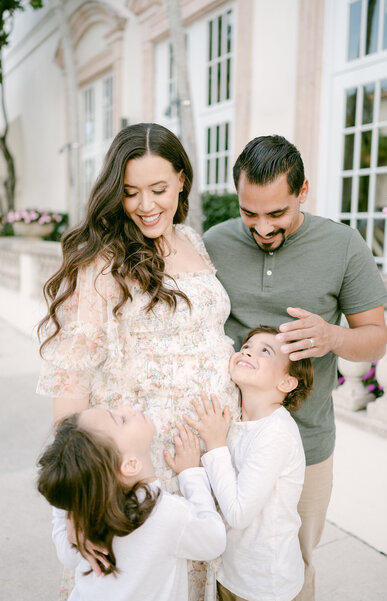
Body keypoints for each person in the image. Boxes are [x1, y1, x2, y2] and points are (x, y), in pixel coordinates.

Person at [37, 122, 239, 601]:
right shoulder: (103, 260)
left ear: (182, 180)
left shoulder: (194, 241)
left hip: (205, 453)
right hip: (141, 460)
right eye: (130, 192)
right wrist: (80, 493)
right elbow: (73, 376)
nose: (146, 205)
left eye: (158, 189)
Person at [203, 135, 387, 601]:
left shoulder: (344, 244)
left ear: (303, 190)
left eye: (276, 214)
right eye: (250, 213)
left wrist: (333, 337)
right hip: (222, 442)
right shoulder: (215, 243)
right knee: (220, 567)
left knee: (292, 572)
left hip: (306, 446)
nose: (262, 228)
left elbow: (376, 339)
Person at [37, 405, 226, 601]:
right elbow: (214, 541)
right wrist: (191, 473)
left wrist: (71, 508)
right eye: (121, 420)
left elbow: (67, 556)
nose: (127, 409)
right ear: (130, 465)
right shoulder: (167, 514)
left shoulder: (83, 524)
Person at [185, 325, 313, 601]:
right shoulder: (238, 420)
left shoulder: (276, 433)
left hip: (262, 584)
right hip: (231, 571)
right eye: (246, 347)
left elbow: (239, 513)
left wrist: (216, 443)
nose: (248, 352)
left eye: (265, 351)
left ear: (287, 383)